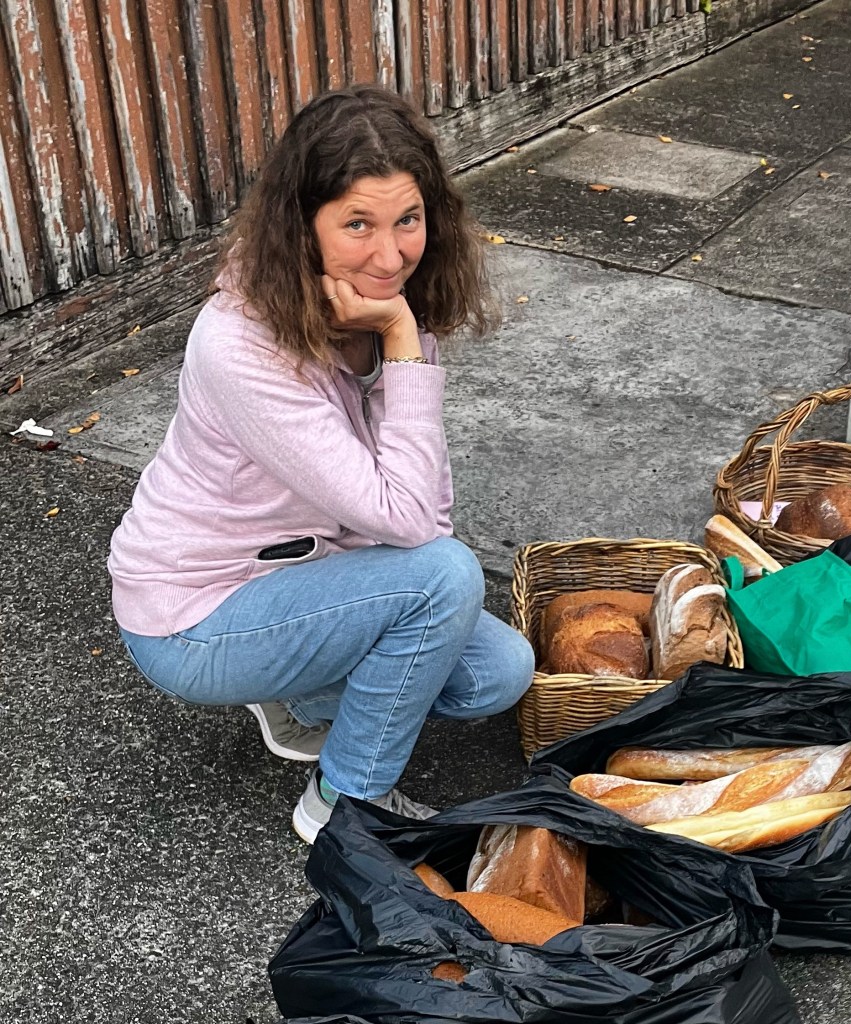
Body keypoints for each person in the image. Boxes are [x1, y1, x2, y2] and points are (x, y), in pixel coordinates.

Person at [108, 85, 535, 844]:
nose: (390, 252)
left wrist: (397, 342)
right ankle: (344, 805)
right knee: (445, 580)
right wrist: (403, 344)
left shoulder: (383, 304)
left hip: (306, 580)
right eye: (357, 224)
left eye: (408, 219)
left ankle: (298, 694)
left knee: (498, 672)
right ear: (302, 226)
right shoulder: (241, 345)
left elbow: (420, 519)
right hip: (196, 613)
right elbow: (416, 534)